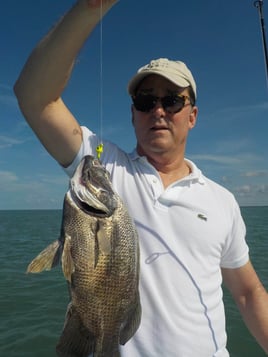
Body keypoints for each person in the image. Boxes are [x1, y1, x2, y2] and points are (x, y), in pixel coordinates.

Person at [14, 1, 268, 356]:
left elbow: (247, 292)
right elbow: (34, 96)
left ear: (192, 115)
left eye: (172, 101)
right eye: (145, 101)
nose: (159, 111)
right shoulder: (105, 168)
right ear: (133, 115)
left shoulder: (222, 200)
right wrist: (90, 8)